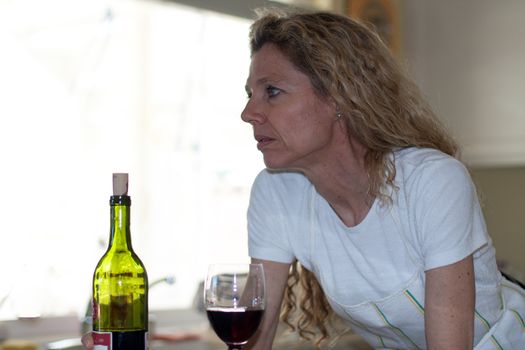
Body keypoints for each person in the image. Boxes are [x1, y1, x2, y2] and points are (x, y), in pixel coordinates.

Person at [82, 7, 525, 350]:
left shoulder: (432, 182)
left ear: (340, 97)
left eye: (272, 92)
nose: (248, 113)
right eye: (249, 94)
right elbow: (255, 333)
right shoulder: (277, 192)